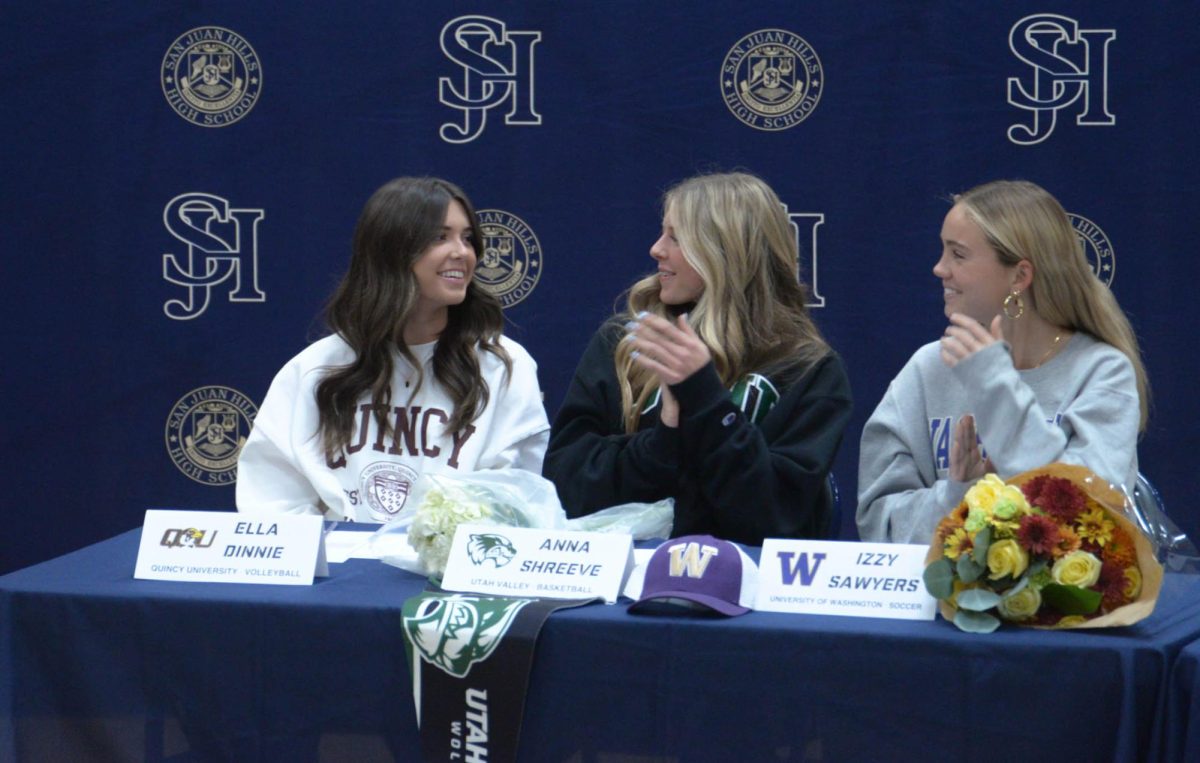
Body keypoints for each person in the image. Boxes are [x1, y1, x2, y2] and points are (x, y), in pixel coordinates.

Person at [543, 172, 853, 544]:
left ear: (726, 252)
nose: (657, 249)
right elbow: (564, 487)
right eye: (662, 233)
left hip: (746, 589)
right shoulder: (627, 343)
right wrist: (664, 440)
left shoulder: (807, 368)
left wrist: (706, 402)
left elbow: (776, 517)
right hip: (621, 582)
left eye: (675, 237)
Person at [236, 177, 550, 522]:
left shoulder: (503, 366)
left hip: (449, 570)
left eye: (468, 238)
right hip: (342, 572)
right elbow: (272, 501)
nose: (462, 252)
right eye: (439, 237)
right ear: (391, 251)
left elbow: (511, 502)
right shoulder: (316, 368)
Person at [856, 179, 1149, 544]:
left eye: (958, 254)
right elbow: (877, 525)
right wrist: (961, 495)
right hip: (939, 601)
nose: (939, 268)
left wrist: (993, 384)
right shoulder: (929, 368)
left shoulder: (1102, 372)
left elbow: (1083, 517)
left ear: (1020, 276)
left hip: (1064, 602)